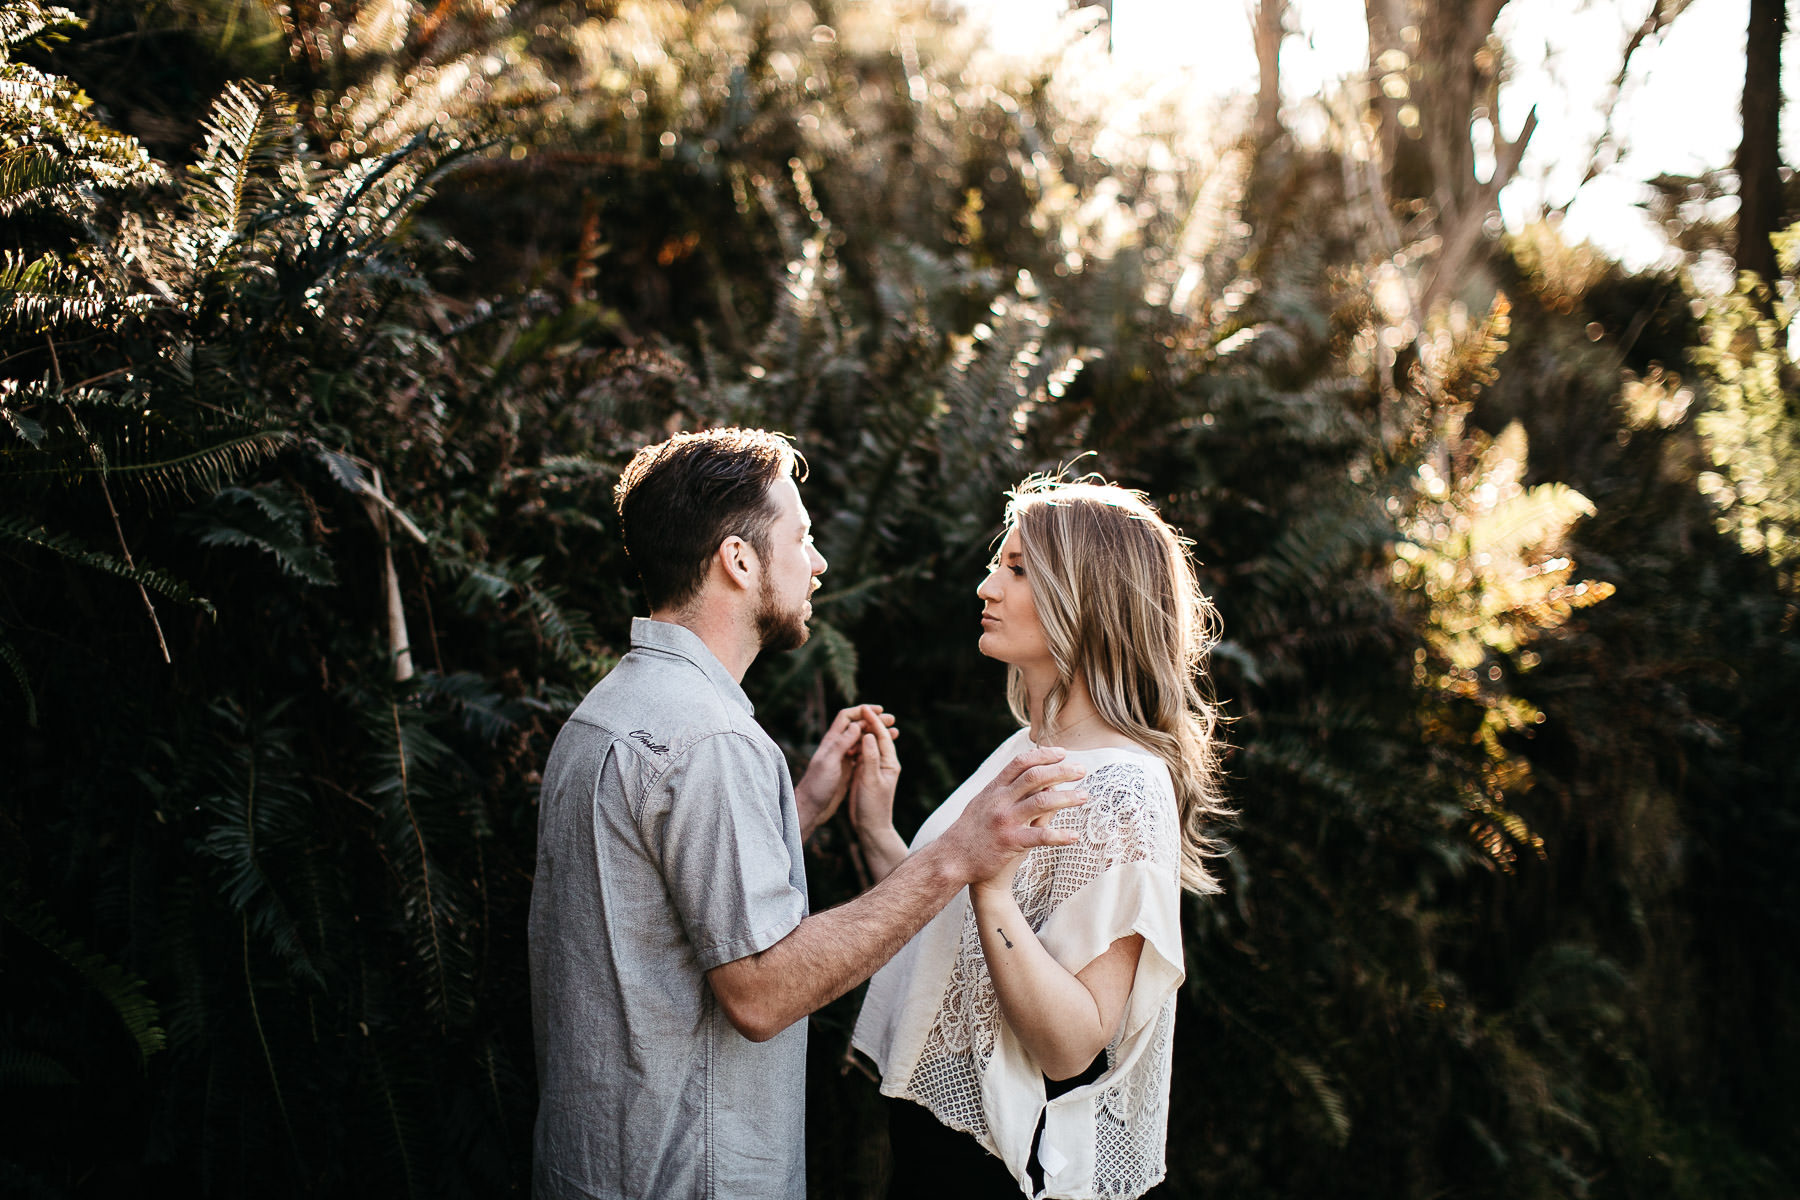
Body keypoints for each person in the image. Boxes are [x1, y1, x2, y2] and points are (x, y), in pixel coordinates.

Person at [528, 428, 1092, 1200]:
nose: (819, 562)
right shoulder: (713, 743)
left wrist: (802, 810)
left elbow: (652, 902)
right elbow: (762, 992)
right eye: (803, 536)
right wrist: (956, 854)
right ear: (739, 560)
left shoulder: (609, 711)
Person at [851, 475, 1230, 1200]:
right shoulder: (1022, 749)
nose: (987, 587)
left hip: (1002, 1169)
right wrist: (876, 827)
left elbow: (1072, 1042)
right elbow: (951, 932)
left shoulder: (1125, 787)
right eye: (1000, 564)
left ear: (1089, 599)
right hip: (930, 1145)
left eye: (1018, 569)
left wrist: (990, 883)